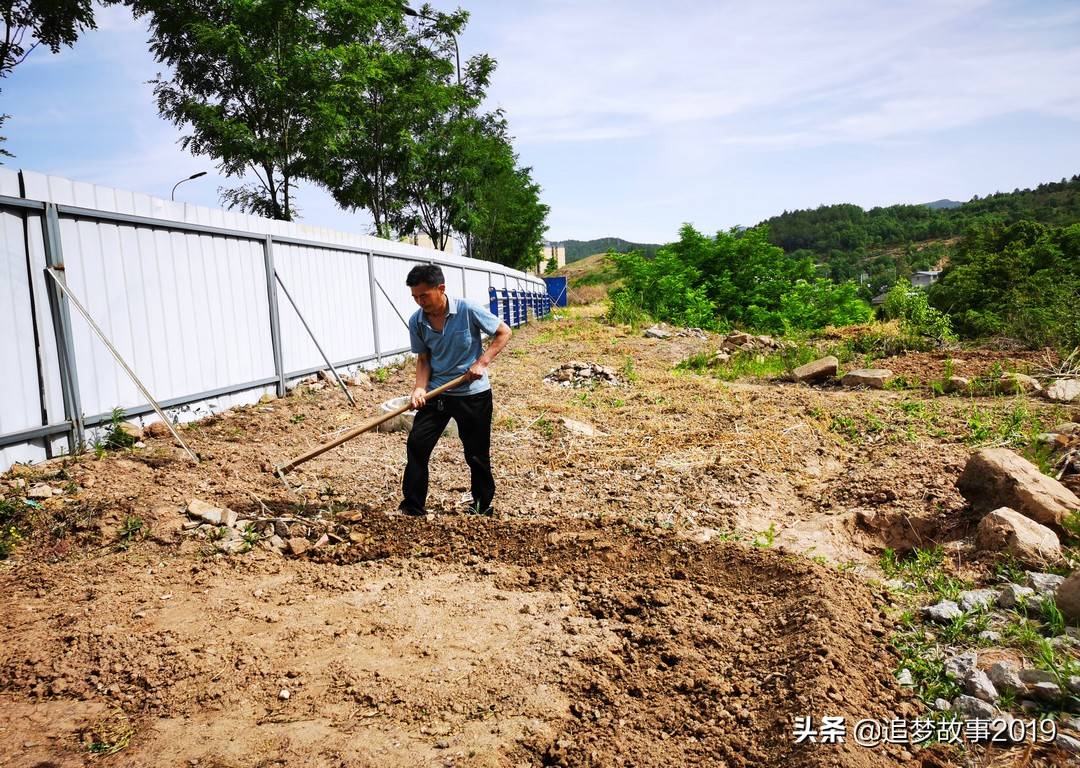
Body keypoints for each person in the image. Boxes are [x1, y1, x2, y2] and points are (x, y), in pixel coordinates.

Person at [399, 264, 512, 517]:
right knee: (417, 445)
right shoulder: (417, 321)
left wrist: (481, 363)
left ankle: (482, 506)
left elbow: (504, 332)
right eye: (415, 297)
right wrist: (419, 388)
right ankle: (412, 507)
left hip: (473, 394)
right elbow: (424, 359)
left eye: (424, 296)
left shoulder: (467, 310)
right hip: (437, 394)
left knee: (476, 454)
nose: (420, 302)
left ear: (441, 289)